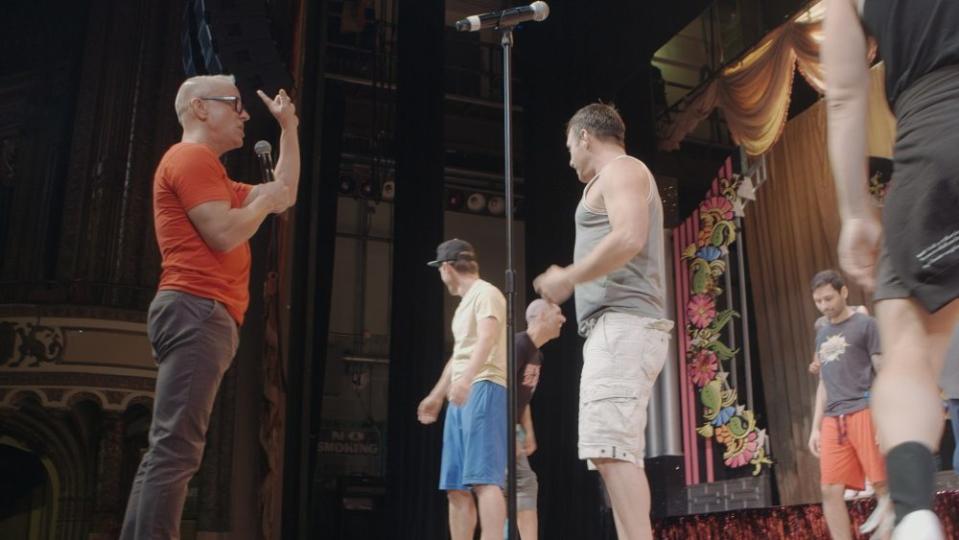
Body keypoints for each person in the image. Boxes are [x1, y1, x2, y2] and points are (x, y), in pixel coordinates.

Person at [120, 74, 299, 539]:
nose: (244, 114)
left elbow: (285, 192)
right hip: (197, 306)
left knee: (169, 447)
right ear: (200, 109)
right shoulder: (191, 157)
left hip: (200, 311)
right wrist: (262, 206)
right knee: (177, 449)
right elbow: (224, 233)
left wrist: (289, 129)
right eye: (234, 104)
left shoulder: (211, 172)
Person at [823, 1, 959, 536]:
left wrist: (856, 211)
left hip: (930, 141)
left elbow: (844, 96)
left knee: (908, 352)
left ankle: (915, 512)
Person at [533, 102, 672, 540]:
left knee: (612, 451)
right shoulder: (611, 177)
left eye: (569, 146)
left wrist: (569, 278)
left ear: (584, 136)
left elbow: (630, 235)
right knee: (612, 452)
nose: (569, 156)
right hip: (615, 329)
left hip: (623, 325)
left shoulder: (622, 170)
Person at [417, 239, 508, 540]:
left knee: (484, 479)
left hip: (484, 386)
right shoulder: (464, 305)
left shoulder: (486, 293)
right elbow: (460, 355)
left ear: (446, 268)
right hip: (462, 392)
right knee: (455, 486)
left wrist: (467, 379)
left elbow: (488, 337)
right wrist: (436, 395)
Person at [807, 270, 890, 539]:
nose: (824, 305)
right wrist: (815, 428)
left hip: (864, 409)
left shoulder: (866, 325)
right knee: (829, 488)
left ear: (843, 292)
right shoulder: (821, 334)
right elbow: (823, 383)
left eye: (829, 298)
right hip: (834, 418)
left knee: (881, 484)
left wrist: (884, 417)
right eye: (818, 301)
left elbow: (881, 369)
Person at [511, 299, 566, 539]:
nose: (563, 319)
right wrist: (507, 434)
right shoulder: (518, 344)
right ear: (541, 316)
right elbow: (501, 390)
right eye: (558, 313)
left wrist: (528, 432)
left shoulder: (537, 355)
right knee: (517, 483)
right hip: (496, 427)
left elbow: (522, 396)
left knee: (523, 483)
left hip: (511, 428)